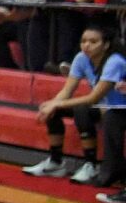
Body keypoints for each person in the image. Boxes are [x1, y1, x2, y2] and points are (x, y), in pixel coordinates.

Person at [23, 21, 121, 186]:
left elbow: (93, 98)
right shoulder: (81, 58)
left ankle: (91, 165)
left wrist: (57, 104)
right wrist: (52, 104)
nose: (87, 45)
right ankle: (55, 163)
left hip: (117, 107)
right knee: (53, 107)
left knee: (81, 109)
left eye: (93, 42)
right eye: (83, 41)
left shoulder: (114, 61)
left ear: (105, 45)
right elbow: (67, 91)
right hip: (100, 106)